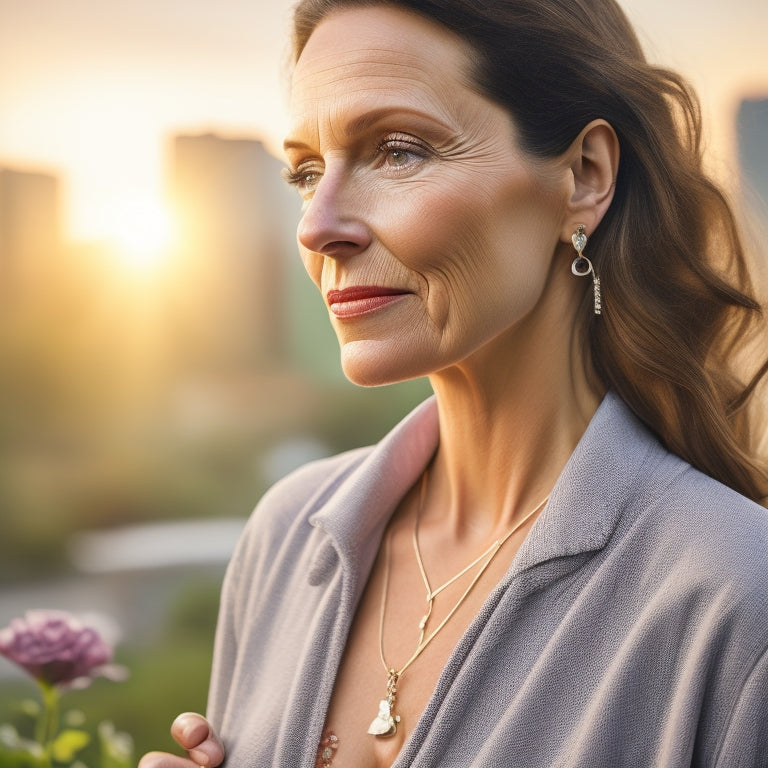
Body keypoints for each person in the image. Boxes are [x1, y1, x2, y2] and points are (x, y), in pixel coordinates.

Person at [139, 0, 768, 766]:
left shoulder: (736, 600)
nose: (316, 224)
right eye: (306, 171)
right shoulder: (285, 538)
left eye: (397, 151)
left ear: (583, 176)